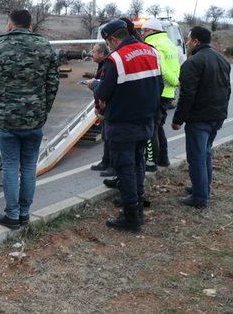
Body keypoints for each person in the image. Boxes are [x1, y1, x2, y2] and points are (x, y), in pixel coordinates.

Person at [0, 9, 59, 229]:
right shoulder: (45, 46)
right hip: (34, 119)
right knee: (28, 166)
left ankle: (12, 215)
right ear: (30, 25)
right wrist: (43, 111)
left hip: (6, 118)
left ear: (10, 25)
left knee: (9, 165)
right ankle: (25, 213)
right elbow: (53, 83)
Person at [91, 19, 162, 232]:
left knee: (125, 168)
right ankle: (138, 204)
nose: (109, 47)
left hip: (122, 123)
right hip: (146, 120)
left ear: (113, 39)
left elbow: (103, 93)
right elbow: (158, 85)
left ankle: (131, 216)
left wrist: (94, 84)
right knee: (138, 163)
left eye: (108, 42)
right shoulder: (151, 52)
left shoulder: (116, 59)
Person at [172, 27, 231, 209]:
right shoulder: (222, 59)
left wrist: (177, 119)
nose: (187, 42)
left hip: (199, 118)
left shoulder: (193, 63)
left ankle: (200, 198)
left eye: (189, 39)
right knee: (205, 153)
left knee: (197, 157)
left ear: (196, 41)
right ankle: (203, 188)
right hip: (216, 116)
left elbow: (187, 95)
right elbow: (226, 89)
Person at [141, 19, 180, 168]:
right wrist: (176, 82)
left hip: (159, 91)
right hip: (168, 92)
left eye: (144, 30)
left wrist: (175, 81)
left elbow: (161, 69)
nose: (142, 34)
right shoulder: (168, 43)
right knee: (158, 126)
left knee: (152, 128)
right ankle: (163, 159)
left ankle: (152, 161)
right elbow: (175, 66)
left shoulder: (153, 45)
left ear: (151, 31)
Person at [88, 42, 115, 177]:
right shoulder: (103, 65)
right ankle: (106, 161)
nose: (91, 54)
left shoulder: (107, 66)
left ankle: (112, 164)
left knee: (110, 136)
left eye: (94, 52)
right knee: (106, 135)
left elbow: (103, 89)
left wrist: (93, 85)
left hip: (108, 108)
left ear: (102, 54)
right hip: (104, 107)